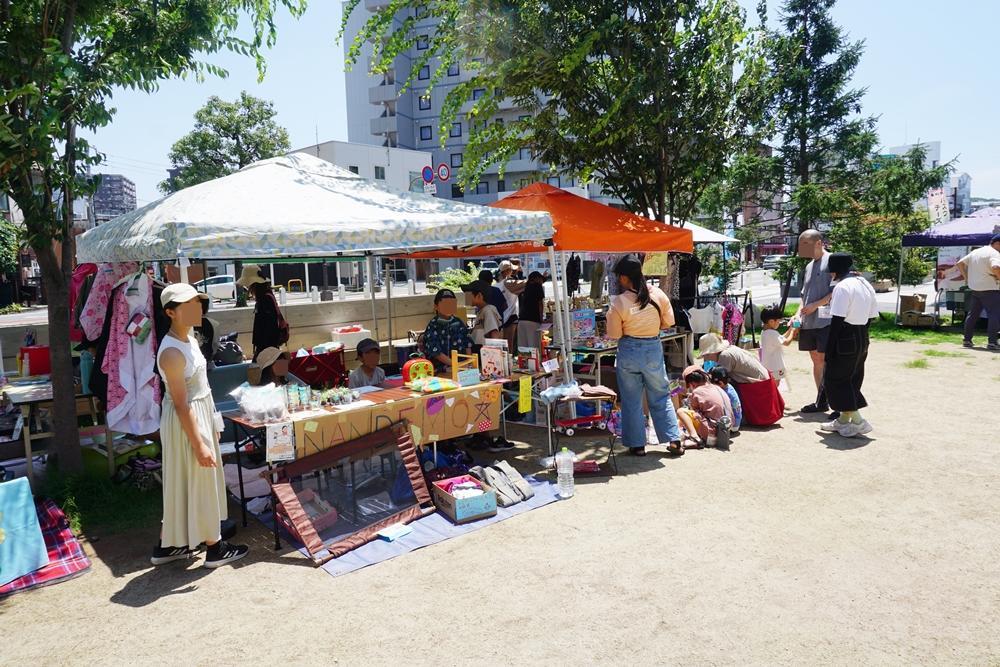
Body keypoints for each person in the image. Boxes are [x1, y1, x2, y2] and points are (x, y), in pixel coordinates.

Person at [152, 283, 248, 569]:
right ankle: (214, 547)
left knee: (189, 480)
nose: (197, 309)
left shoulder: (190, 339)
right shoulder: (171, 352)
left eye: (198, 302)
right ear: (170, 312)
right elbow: (181, 404)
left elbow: (203, 387)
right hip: (187, 418)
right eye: (188, 305)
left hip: (200, 412)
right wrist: (199, 444)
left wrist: (213, 420)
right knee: (199, 478)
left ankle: (170, 544)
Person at [605, 256, 681, 456]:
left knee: (631, 399)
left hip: (629, 349)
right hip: (653, 348)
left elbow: (614, 334)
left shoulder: (619, 302)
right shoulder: (658, 295)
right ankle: (674, 439)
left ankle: (637, 445)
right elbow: (669, 322)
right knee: (661, 394)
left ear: (623, 278)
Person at [820, 253, 879, 438]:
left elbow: (837, 321)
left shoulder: (842, 287)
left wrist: (829, 350)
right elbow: (871, 316)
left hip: (844, 335)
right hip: (862, 334)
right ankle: (843, 421)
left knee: (835, 379)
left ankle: (859, 421)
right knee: (852, 378)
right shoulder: (864, 283)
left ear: (835, 271)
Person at [699, 332, 784, 427]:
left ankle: (737, 416)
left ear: (712, 351)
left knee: (721, 385)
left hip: (757, 386)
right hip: (762, 381)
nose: (705, 358)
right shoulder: (731, 349)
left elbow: (719, 379)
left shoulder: (725, 356)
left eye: (706, 355)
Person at [796, 230, 836, 415]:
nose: (803, 249)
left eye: (806, 245)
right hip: (809, 321)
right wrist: (798, 314)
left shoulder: (832, 261)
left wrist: (815, 305)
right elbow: (804, 295)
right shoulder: (809, 266)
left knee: (827, 359)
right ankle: (821, 400)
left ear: (819, 243)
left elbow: (837, 291)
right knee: (816, 359)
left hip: (826, 320)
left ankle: (834, 401)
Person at [956, 233, 1000, 351]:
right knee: (994, 314)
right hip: (990, 288)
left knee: (973, 314)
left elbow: (959, 264)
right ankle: (992, 342)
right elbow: (995, 267)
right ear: (997, 244)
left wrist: (966, 278)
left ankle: (967, 340)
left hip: (975, 288)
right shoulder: (995, 253)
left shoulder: (976, 251)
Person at [237, 264, 287, 361]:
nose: (248, 289)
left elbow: (268, 328)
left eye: (248, 285)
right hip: (269, 348)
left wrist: (261, 352)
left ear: (254, 284)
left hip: (266, 350)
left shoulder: (264, 300)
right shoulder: (266, 296)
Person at [677, 365, 734, 447]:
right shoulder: (717, 388)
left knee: (681, 411)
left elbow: (693, 411)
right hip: (727, 431)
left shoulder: (697, 392)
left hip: (712, 434)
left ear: (692, 383)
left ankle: (695, 437)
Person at [423, 288, 473, 372]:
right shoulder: (432, 325)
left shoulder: (459, 322)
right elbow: (435, 352)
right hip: (440, 370)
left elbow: (467, 344)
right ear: (436, 306)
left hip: (463, 368)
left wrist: (470, 363)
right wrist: (455, 365)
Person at [759, 307, 795, 391]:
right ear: (771, 321)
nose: (779, 323)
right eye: (778, 321)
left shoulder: (765, 331)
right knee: (774, 386)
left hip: (769, 364)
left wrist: (790, 329)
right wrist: (793, 331)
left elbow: (781, 338)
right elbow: (787, 342)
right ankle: (773, 402)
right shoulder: (772, 333)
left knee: (772, 385)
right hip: (775, 366)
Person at [462, 280, 504, 349]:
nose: (466, 298)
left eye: (469, 295)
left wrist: (494, 355)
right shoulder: (480, 311)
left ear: (479, 296)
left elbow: (494, 334)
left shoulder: (488, 310)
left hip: (486, 354)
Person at [496, 259, 528, 351]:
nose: (513, 271)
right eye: (511, 270)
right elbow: (526, 283)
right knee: (509, 344)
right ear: (506, 271)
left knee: (502, 344)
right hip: (510, 317)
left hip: (500, 318)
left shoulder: (496, 285)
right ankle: (508, 363)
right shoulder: (509, 283)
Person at [516, 271, 546, 349]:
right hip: (533, 321)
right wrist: (541, 319)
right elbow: (540, 304)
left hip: (521, 321)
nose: (542, 282)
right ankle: (533, 361)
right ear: (537, 279)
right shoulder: (538, 287)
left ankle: (525, 361)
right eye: (541, 279)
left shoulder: (525, 288)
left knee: (523, 348)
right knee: (534, 348)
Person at [709, 366, 742, 432]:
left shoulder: (724, 393)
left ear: (720, 383)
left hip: (731, 425)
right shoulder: (729, 387)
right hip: (737, 421)